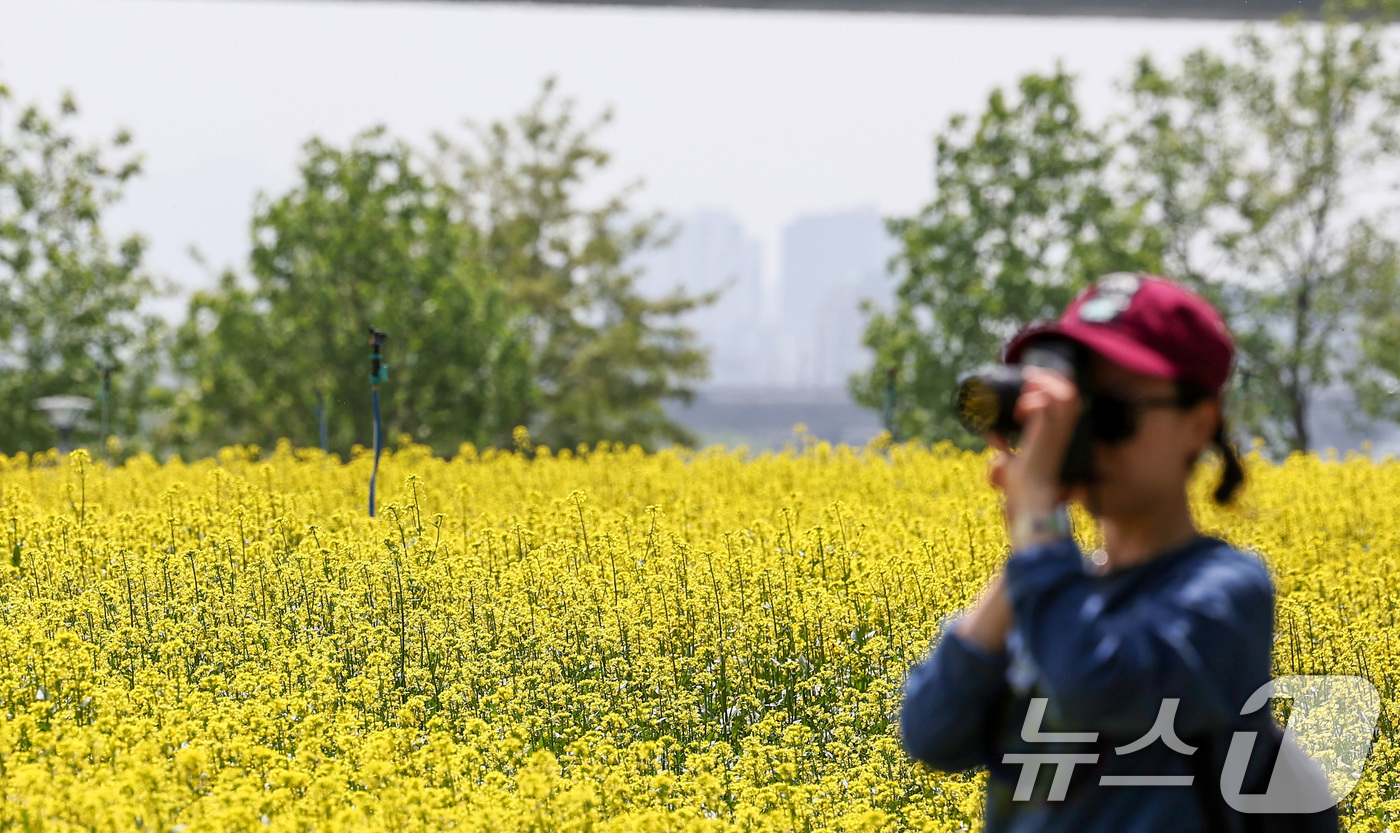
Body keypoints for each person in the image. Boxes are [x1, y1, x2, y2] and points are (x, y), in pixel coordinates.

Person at [898, 274, 1309, 832]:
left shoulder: (1226, 592)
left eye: (1113, 415)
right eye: (1080, 417)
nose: (1090, 439)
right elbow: (933, 731)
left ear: (1198, 423)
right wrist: (1029, 532)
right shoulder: (1055, 588)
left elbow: (1096, 686)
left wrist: (1040, 522)